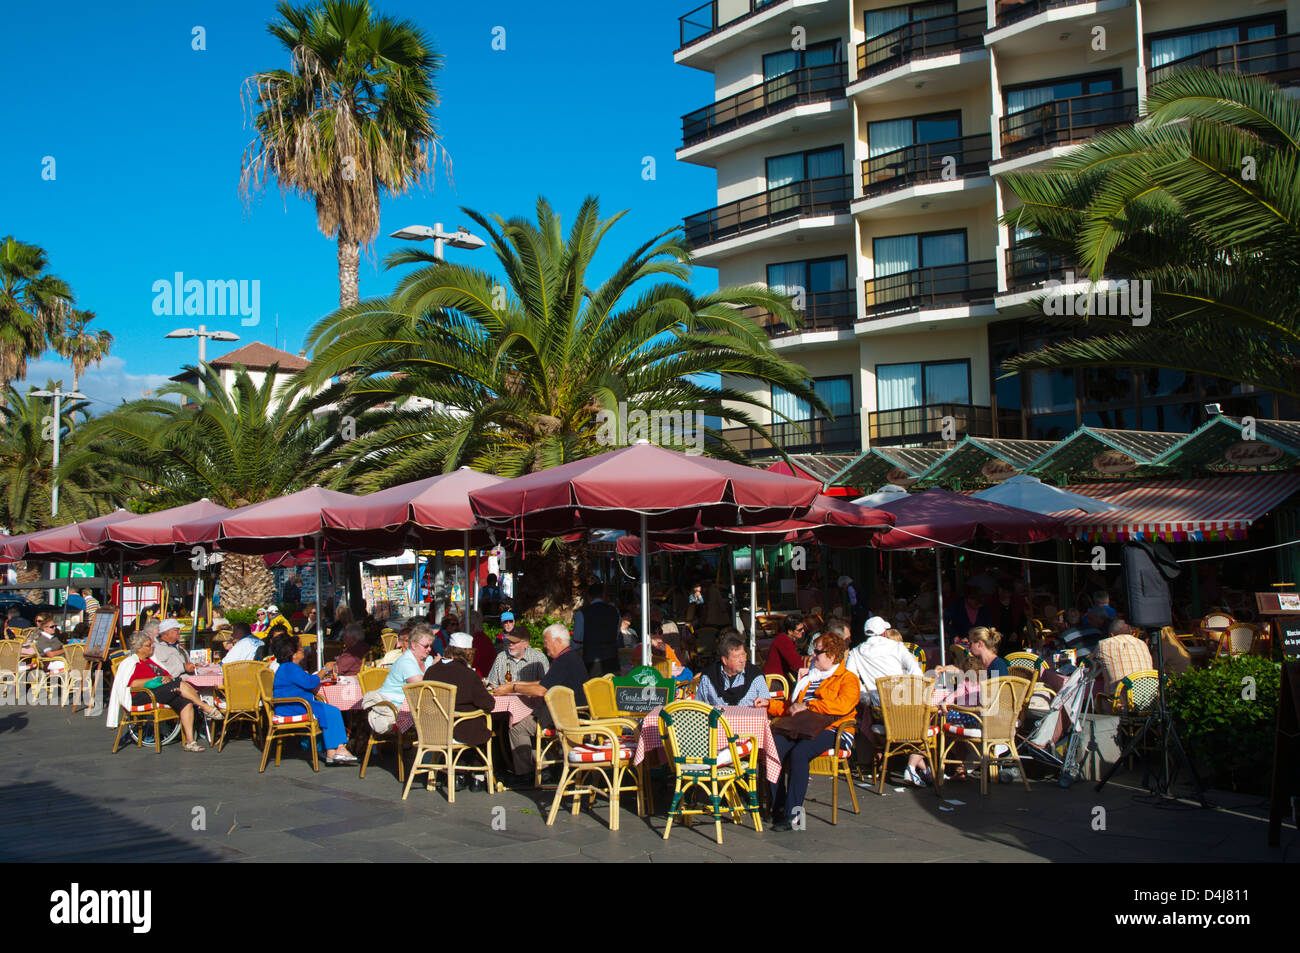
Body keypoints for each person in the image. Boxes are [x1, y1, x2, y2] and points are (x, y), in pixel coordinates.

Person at [766, 631, 860, 831]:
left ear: (832, 656)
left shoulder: (847, 678)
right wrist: (768, 704)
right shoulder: (808, 678)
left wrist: (809, 705)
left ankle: (794, 815)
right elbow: (792, 707)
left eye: (818, 652)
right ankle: (778, 805)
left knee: (800, 753)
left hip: (835, 729)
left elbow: (843, 706)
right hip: (803, 726)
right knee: (774, 747)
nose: (813, 655)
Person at [107, 627, 223, 752]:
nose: (152, 647)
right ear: (139, 648)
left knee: (185, 702)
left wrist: (166, 678)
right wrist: (153, 679)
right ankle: (205, 707)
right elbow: (132, 684)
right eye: (148, 645)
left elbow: (166, 673)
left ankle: (190, 741)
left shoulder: (151, 660)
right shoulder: (131, 663)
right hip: (141, 696)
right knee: (179, 684)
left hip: (158, 691)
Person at [846, 616, 930, 786]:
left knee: (915, 727)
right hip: (905, 706)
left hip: (880, 713)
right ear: (884, 632)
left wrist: (868, 697)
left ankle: (919, 769)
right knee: (927, 724)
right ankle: (916, 767)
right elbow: (916, 672)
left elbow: (851, 681)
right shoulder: (897, 647)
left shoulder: (856, 652)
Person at [503, 623, 588, 782]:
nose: (544, 645)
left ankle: (526, 773)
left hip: (564, 719)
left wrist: (513, 687)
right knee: (530, 721)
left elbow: (541, 690)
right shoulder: (571, 657)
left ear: (557, 641)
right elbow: (543, 683)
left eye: (546, 641)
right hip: (574, 714)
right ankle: (546, 766)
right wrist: (514, 686)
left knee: (518, 725)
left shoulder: (563, 660)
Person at [269, 632, 356, 766]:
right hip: (294, 707)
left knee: (329, 710)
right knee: (331, 711)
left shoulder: (287, 668)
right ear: (293, 654)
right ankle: (338, 748)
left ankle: (333, 751)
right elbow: (310, 683)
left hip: (294, 705)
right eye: (299, 648)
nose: (302, 649)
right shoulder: (290, 668)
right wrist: (324, 669)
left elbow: (305, 682)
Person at [427, 633, 494, 784]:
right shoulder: (469, 675)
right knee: (482, 722)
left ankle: (458, 773)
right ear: (468, 653)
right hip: (460, 728)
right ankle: (477, 775)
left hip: (433, 729)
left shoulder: (431, 671)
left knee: (471, 723)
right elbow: (488, 704)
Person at [696, 632, 770, 708]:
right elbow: (699, 707)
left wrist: (766, 702)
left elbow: (767, 703)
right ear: (725, 660)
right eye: (737, 657)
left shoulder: (755, 675)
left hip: (749, 719)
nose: (742, 660)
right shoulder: (709, 678)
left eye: (743, 655)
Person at [1093, 620, 1154, 711]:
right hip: (1149, 701)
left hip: (1121, 705)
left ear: (1112, 635)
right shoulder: (1142, 644)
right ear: (1131, 633)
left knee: (1094, 699)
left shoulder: (1103, 644)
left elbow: (1092, 671)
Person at [375, 623, 437, 707]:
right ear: (413, 645)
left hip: (413, 704)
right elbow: (422, 687)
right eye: (426, 646)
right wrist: (436, 667)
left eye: (431, 646)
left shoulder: (428, 659)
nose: (429, 649)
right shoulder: (406, 661)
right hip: (393, 706)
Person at [572, 583, 620, 676]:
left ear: (589, 596)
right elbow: (616, 634)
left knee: (593, 689)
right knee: (613, 688)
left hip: (591, 662)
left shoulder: (581, 613)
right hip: (612, 659)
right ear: (603, 595)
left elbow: (577, 641)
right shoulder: (615, 611)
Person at [486, 622, 548, 688]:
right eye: (509, 641)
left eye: (514, 642)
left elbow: (546, 684)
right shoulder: (501, 657)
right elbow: (492, 683)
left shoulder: (539, 658)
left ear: (526, 644)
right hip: (505, 697)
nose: (510, 644)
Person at [763, 614, 805, 684]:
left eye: (803, 628)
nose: (803, 631)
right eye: (800, 630)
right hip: (774, 681)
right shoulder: (783, 641)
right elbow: (796, 664)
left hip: (779, 678)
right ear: (790, 631)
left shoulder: (785, 639)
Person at [838, 576, 866, 646]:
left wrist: (850, 605)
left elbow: (854, 602)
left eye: (842, 587)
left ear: (844, 584)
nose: (844, 589)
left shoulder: (850, 588)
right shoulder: (857, 586)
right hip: (863, 611)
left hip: (858, 613)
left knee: (857, 631)